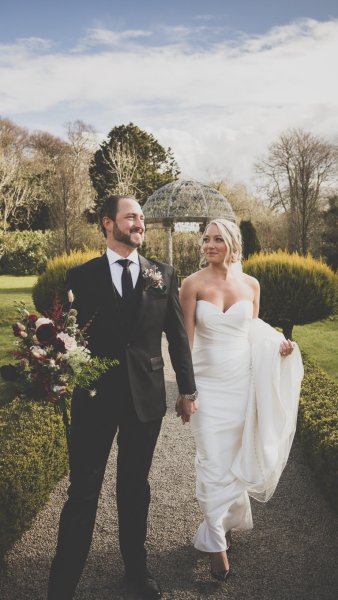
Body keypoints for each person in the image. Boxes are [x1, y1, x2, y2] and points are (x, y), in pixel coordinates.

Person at [47, 195, 198, 600]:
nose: (140, 223)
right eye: (131, 217)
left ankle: (137, 572)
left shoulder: (162, 274)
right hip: (94, 398)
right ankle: (62, 583)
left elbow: (177, 338)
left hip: (145, 398)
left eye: (142, 218)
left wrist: (187, 389)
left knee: (135, 486)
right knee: (83, 490)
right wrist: (54, 373)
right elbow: (66, 337)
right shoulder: (80, 276)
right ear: (107, 224)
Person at [178, 219, 303, 581]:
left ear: (233, 243)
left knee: (234, 460)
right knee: (212, 461)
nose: (209, 245)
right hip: (206, 389)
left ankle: (220, 523)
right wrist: (186, 392)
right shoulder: (192, 284)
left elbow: (255, 333)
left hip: (242, 387)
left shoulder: (251, 285)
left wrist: (278, 346)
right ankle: (217, 548)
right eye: (206, 239)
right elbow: (184, 343)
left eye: (218, 239)